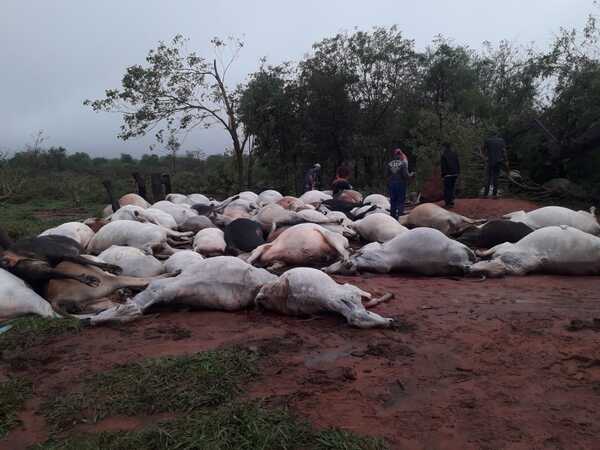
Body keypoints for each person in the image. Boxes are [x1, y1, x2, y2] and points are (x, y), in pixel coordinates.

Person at [387, 148, 412, 219]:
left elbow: (387, 175)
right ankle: (400, 216)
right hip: (401, 184)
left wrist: (389, 183)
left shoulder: (390, 164)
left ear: (394, 155)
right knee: (400, 200)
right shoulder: (403, 164)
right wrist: (412, 174)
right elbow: (406, 175)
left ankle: (392, 216)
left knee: (393, 200)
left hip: (392, 184)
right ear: (400, 155)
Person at [440, 142, 460, 208]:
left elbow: (443, 166)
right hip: (455, 173)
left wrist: (443, 175)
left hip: (447, 174)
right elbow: (457, 163)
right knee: (452, 188)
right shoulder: (454, 154)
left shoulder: (444, 155)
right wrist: (458, 172)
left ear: (444, 147)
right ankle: (451, 201)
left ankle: (447, 203)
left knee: (447, 189)